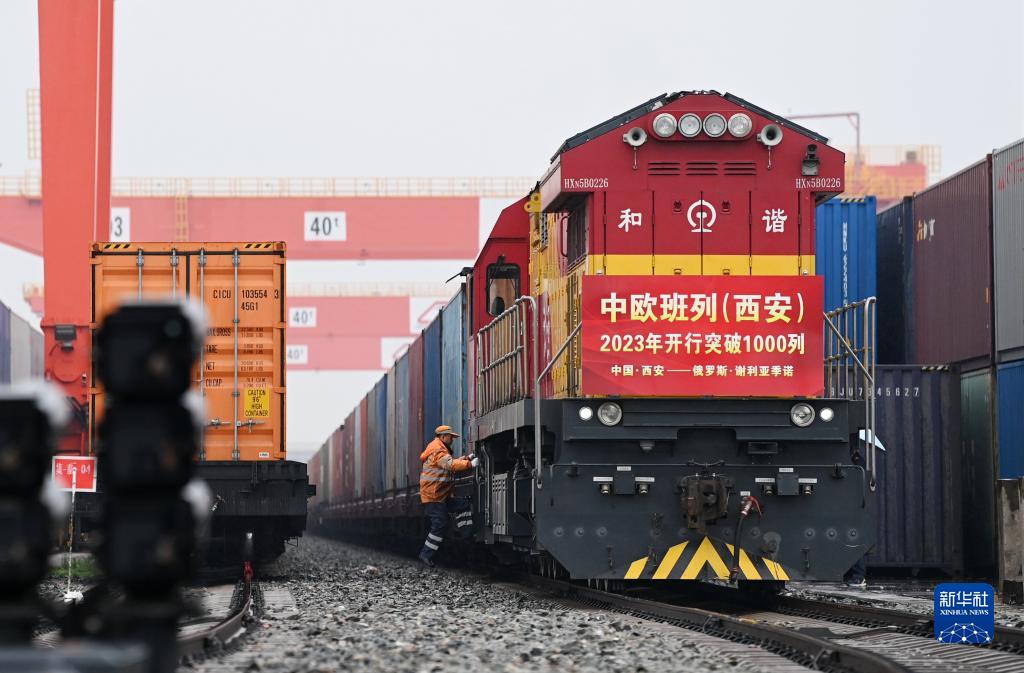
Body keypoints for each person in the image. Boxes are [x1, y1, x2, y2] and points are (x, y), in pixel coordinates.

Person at [418, 424, 479, 567]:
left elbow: (449, 464)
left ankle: (467, 536)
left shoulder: (440, 448)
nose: (452, 439)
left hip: (441, 495)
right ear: (443, 436)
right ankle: (426, 554)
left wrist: (466, 458)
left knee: (463, 504)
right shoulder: (437, 449)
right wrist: (469, 465)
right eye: (450, 437)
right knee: (440, 523)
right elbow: (450, 465)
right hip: (433, 496)